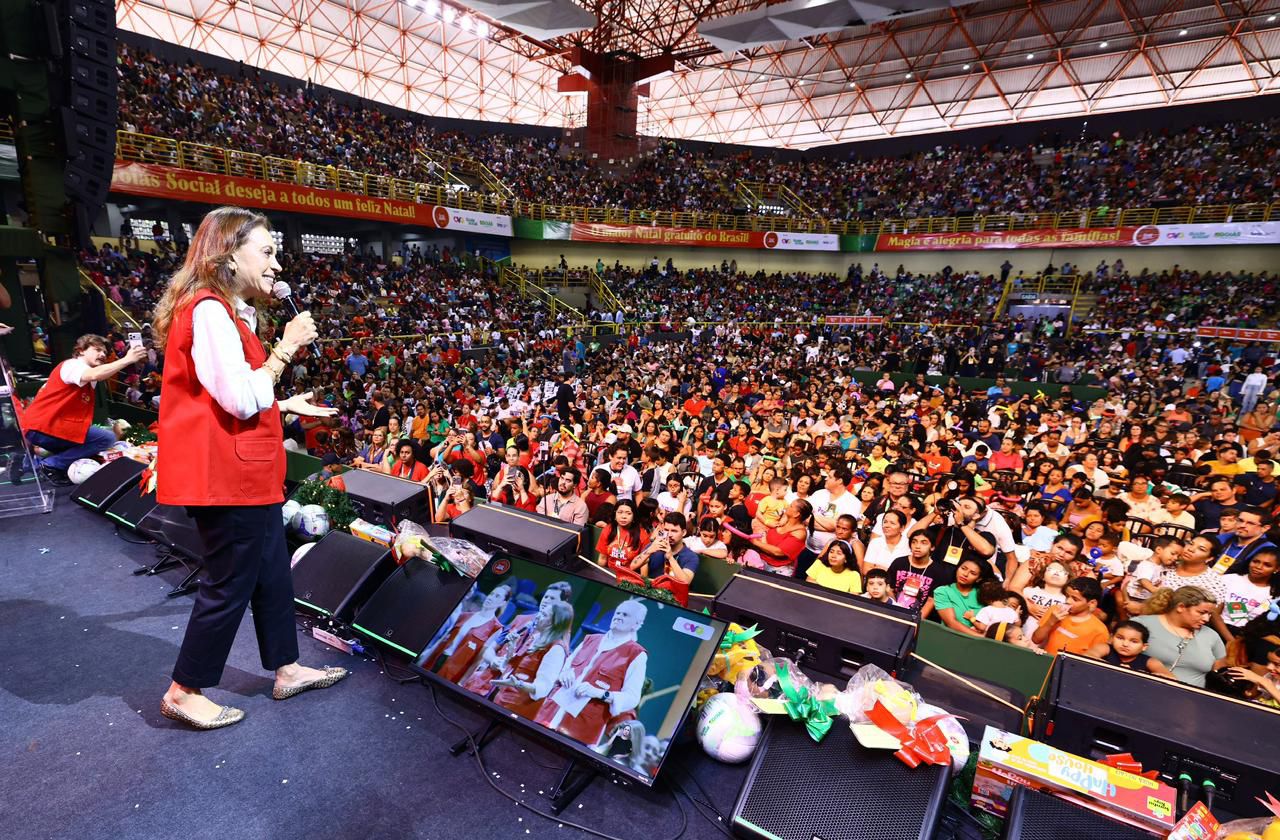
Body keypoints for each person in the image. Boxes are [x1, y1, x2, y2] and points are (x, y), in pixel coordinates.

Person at [150, 207, 346, 729]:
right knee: (230, 581)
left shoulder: (230, 312)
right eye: (267, 251)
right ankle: (185, 689)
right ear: (228, 254)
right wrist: (286, 347)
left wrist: (284, 405)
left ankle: (287, 668)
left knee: (271, 575)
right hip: (226, 478)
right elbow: (238, 400)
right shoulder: (209, 310)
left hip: (247, 473)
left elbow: (225, 398)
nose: (277, 263)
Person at [11, 334, 147, 483]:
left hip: (42, 427)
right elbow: (96, 374)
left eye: (105, 353)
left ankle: (27, 465)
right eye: (97, 350)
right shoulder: (73, 365)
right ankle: (50, 465)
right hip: (46, 427)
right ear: (81, 350)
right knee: (105, 439)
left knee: (85, 445)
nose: (102, 354)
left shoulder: (78, 371)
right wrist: (127, 359)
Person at [535, 599, 649, 746]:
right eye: (618, 612)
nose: (618, 616)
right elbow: (564, 667)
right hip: (550, 712)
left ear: (637, 624)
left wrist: (599, 693)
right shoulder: (591, 639)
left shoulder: (636, 654)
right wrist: (565, 673)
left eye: (625, 615)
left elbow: (632, 698)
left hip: (581, 728)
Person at [1133, 586, 1229, 687]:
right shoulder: (1141, 624)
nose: (1206, 619)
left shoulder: (1211, 635)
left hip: (1191, 699)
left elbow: (1220, 669)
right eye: (1201, 613)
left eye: (1209, 614)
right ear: (1181, 607)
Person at [422, 584, 513, 683]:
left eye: (497, 596)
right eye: (491, 594)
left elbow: (478, 660)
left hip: (454, 671)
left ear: (502, 603)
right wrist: (424, 657)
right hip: (437, 659)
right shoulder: (464, 615)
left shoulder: (495, 627)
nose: (491, 597)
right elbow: (442, 640)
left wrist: (462, 682)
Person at [1031, 577, 1111, 656]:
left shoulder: (1100, 631)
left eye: (1075, 599)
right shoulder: (1055, 610)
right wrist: (1050, 622)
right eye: (1067, 596)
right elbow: (1036, 639)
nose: (1068, 601)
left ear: (1092, 603)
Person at [632, 512, 699, 585]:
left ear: (683, 532)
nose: (669, 535)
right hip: (651, 591)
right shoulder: (654, 546)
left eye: (674, 531)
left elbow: (685, 582)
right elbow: (632, 566)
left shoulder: (691, 557)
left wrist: (670, 558)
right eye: (666, 530)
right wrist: (649, 551)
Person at [931, 558, 988, 636]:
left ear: (978, 579)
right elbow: (951, 623)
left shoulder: (984, 593)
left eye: (973, 573)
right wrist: (982, 637)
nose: (965, 574)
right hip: (951, 638)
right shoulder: (942, 591)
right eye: (963, 568)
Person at [1103, 621, 1174, 677]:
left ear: (1144, 647)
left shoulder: (1150, 661)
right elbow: (1092, 655)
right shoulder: (1105, 648)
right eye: (1120, 638)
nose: (1125, 644)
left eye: (1134, 642)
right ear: (1111, 638)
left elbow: (1170, 677)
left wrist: (1138, 673)